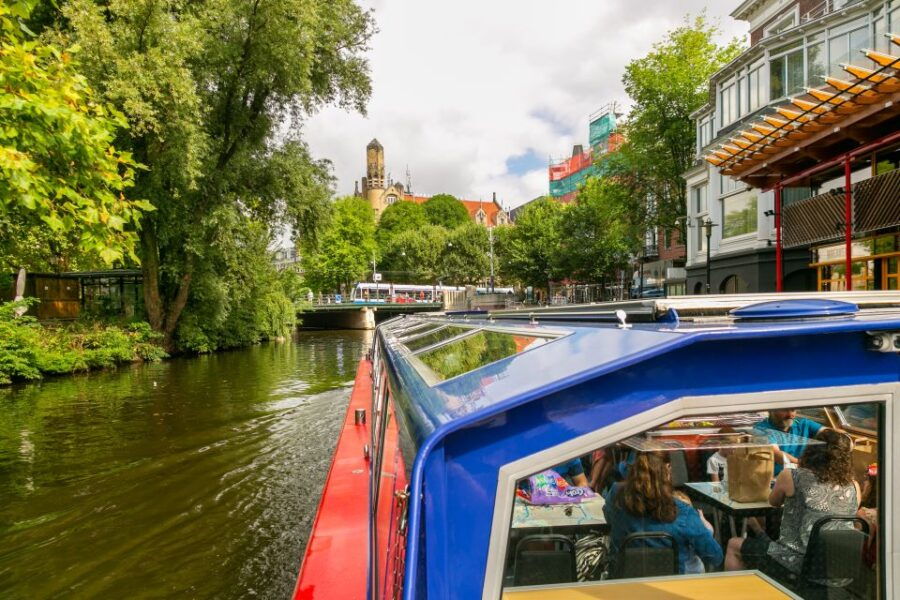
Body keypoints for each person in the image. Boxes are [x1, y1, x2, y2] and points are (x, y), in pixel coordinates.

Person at [724, 429, 859, 577]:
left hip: (797, 563)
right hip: (839, 566)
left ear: (811, 451)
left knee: (734, 545)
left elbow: (773, 502)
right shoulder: (854, 486)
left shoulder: (791, 476)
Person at [603, 453, 723, 575]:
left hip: (623, 581)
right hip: (672, 586)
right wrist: (706, 529)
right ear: (668, 468)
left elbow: (609, 519)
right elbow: (715, 557)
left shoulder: (616, 495)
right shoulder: (684, 512)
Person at [753, 409, 826, 475]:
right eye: (785, 410)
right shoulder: (760, 429)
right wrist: (806, 467)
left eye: (793, 410)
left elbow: (830, 434)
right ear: (771, 410)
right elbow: (775, 454)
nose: (790, 415)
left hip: (801, 475)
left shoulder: (803, 424)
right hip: (775, 480)